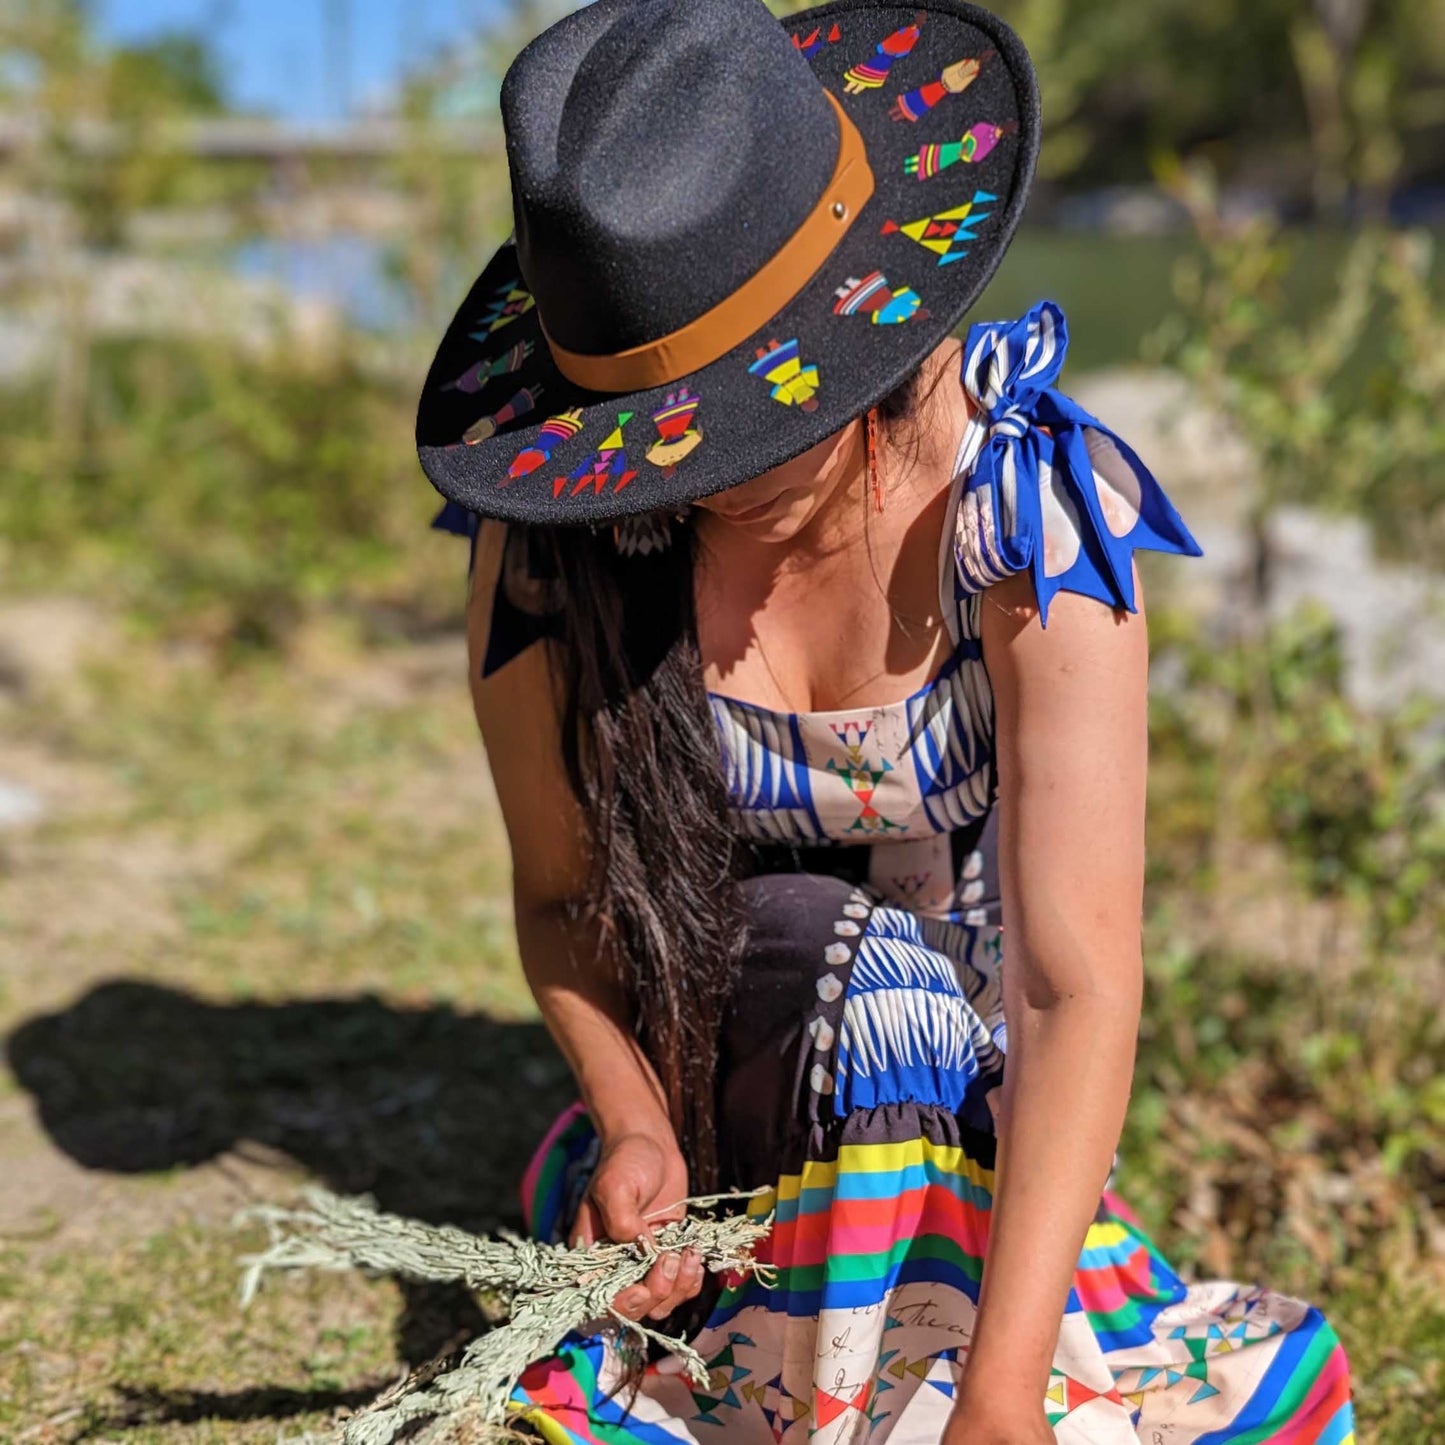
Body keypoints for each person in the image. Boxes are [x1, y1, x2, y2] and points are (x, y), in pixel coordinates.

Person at [416, 1, 1358, 1440]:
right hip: (718, 1084)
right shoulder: (559, 551)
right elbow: (561, 896)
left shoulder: (1026, 515)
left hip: (975, 1096)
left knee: (908, 1005)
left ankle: (951, 1333)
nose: (704, 477)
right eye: (668, 437)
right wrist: (631, 1120)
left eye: (737, 421)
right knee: (850, 976)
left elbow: (1071, 983)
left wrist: (999, 1390)